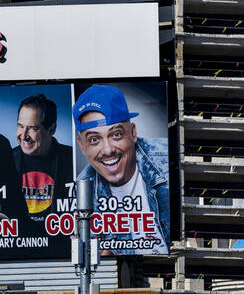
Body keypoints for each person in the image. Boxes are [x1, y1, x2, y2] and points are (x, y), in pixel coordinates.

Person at [74, 84, 173, 255]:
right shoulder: (82, 192)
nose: (107, 150)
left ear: (133, 133)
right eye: (94, 139)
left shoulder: (167, 159)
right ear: (82, 145)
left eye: (116, 134)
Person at [12, 93, 75, 218]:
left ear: (51, 130)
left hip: (60, 236)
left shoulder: (74, 160)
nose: (24, 135)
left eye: (32, 128)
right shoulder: (4, 160)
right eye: (20, 126)